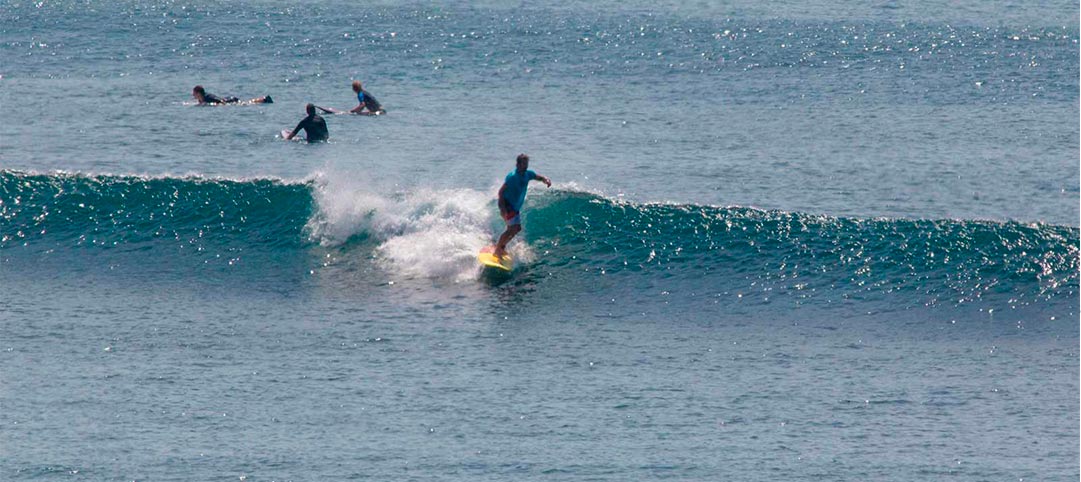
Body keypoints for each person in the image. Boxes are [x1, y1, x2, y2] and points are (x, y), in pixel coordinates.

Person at [494, 154, 552, 258]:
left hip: (515, 207)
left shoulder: (528, 174)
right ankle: (498, 250)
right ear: (517, 164)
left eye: (526, 164)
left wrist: (546, 180)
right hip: (507, 205)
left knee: (516, 229)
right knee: (513, 228)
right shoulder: (512, 177)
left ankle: (501, 247)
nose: (525, 166)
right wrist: (503, 209)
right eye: (523, 164)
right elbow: (501, 192)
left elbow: (538, 177)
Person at [192, 85, 272, 105]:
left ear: (198, 93)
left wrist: (223, 104)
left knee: (248, 103)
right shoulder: (201, 100)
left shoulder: (207, 97)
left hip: (230, 100)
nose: (193, 95)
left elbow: (219, 100)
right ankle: (264, 99)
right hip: (227, 99)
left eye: (194, 93)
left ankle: (264, 99)